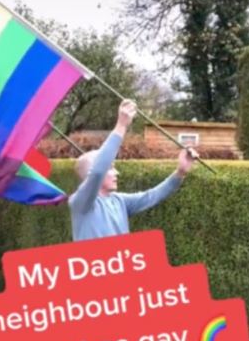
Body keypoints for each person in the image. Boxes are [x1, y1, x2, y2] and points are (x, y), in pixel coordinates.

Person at [70, 99, 196, 241]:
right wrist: (121, 125)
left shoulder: (119, 201)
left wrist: (180, 172)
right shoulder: (81, 202)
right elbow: (98, 171)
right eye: (111, 168)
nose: (117, 173)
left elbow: (152, 196)